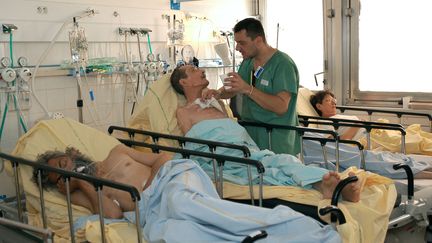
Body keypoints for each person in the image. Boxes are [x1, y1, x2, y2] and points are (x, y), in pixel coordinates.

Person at [31, 145, 343, 242]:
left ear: (71, 154)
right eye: (61, 176)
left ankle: (295, 226)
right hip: (152, 208)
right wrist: (85, 183)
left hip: (173, 179)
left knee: (181, 203)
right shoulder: (81, 195)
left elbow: (161, 158)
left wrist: (153, 182)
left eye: (65, 164)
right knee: (175, 229)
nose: (68, 171)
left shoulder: (115, 152)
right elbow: (113, 215)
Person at [170, 64, 362, 201]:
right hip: (226, 156)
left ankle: (326, 184)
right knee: (268, 171)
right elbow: (191, 145)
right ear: (184, 82)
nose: (201, 70)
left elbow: (231, 125)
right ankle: (326, 185)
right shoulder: (183, 112)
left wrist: (217, 96)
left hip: (248, 149)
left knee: (284, 161)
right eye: (193, 70)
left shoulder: (217, 102)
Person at [202, 18, 300, 156]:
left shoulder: (283, 65)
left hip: (276, 139)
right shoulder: (248, 62)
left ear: (258, 40)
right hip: (250, 136)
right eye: (236, 43)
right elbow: (235, 88)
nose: (237, 48)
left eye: (242, 43)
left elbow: (281, 107)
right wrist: (218, 93)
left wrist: (248, 89)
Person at [308, 89, 432, 179]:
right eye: (328, 101)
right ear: (319, 106)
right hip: (369, 138)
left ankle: (424, 165)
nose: (334, 103)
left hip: (375, 132)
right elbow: (338, 143)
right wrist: (357, 125)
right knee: (415, 142)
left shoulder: (337, 116)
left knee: (416, 136)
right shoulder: (324, 123)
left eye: (333, 100)